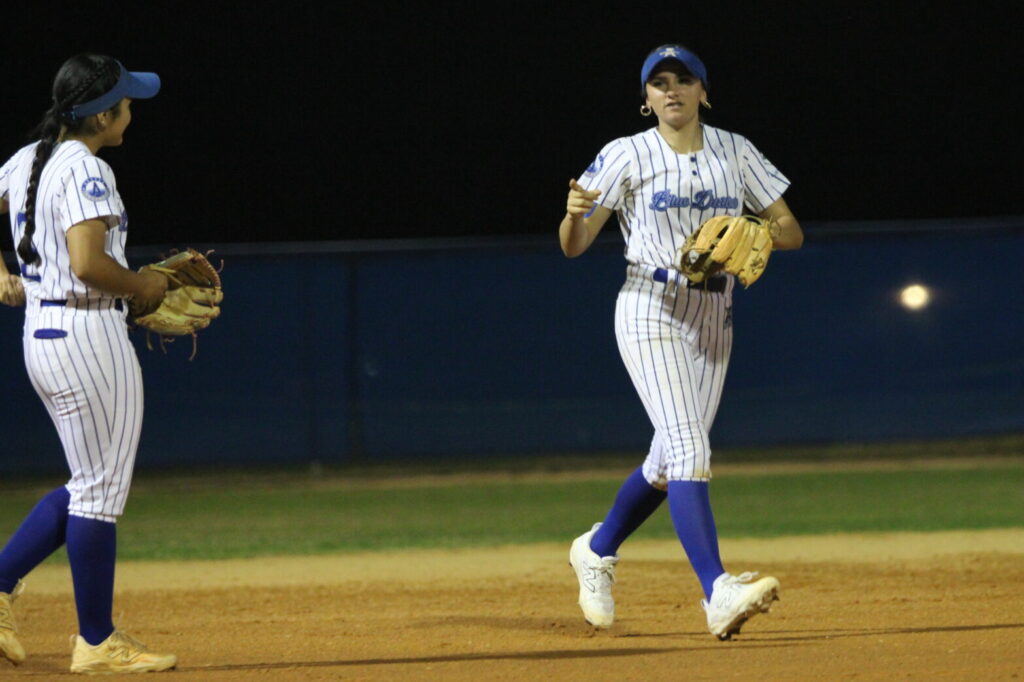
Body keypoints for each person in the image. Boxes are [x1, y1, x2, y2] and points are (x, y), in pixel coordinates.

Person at [560, 44, 804, 640]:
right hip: (650, 305)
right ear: (646, 99)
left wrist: (757, 229)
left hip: (714, 311)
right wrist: (573, 215)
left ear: (703, 91)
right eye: (659, 83)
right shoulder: (626, 155)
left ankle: (596, 549)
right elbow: (574, 243)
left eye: (684, 80)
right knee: (690, 444)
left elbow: (792, 231)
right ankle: (717, 592)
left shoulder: (735, 150)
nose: (672, 90)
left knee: (669, 463)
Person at [0, 53, 177, 674]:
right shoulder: (86, 168)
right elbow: (86, 263)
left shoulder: (29, 157)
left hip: (41, 338)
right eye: (126, 103)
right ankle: (97, 642)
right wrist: (144, 286)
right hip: (87, 334)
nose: (132, 110)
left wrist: (3, 272)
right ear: (103, 115)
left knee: (86, 485)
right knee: (99, 494)